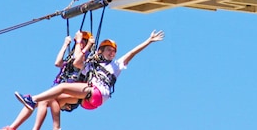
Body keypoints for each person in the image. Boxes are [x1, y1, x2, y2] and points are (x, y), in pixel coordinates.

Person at [12, 30, 165, 125]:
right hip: (86, 101)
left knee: (62, 87)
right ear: (101, 51)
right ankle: (50, 129)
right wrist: (81, 45)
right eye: (109, 51)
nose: (112, 53)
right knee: (54, 100)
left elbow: (132, 53)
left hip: (98, 94)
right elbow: (77, 62)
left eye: (113, 51)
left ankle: (33, 99)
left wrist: (148, 41)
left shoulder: (116, 66)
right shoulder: (91, 64)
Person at [0, 31, 92, 130]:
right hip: (62, 92)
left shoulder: (87, 59)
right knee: (35, 102)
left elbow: (77, 62)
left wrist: (80, 43)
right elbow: (58, 63)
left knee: (45, 99)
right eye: (80, 42)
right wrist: (65, 45)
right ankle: (13, 128)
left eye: (83, 43)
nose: (80, 44)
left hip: (74, 95)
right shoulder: (73, 56)